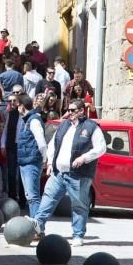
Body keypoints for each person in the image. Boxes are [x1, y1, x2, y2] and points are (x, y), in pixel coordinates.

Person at [28, 98, 107, 246]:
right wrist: (50, 162)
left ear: (81, 111)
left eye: (72, 110)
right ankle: (37, 229)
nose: (69, 113)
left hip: (78, 174)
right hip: (58, 173)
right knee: (47, 201)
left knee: (79, 205)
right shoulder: (64, 125)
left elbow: (101, 148)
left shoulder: (91, 127)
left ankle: (78, 235)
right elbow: (53, 144)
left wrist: (84, 158)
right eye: (68, 110)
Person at [16, 96, 47, 220]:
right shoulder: (27, 120)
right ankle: (35, 225)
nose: (17, 107)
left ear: (22, 106)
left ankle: (38, 227)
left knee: (34, 197)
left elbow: (42, 143)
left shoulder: (34, 120)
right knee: (29, 196)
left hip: (32, 163)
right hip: (25, 162)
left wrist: (44, 161)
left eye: (18, 105)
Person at [0, 88, 26, 208]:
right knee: (11, 173)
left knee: (22, 175)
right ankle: (12, 197)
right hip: (12, 146)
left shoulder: (28, 115)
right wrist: (3, 145)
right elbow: (5, 130)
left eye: (15, 101)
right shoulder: (11, 114)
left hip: (23, 147)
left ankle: (22, 199)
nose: (13, 104)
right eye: (11, 102)